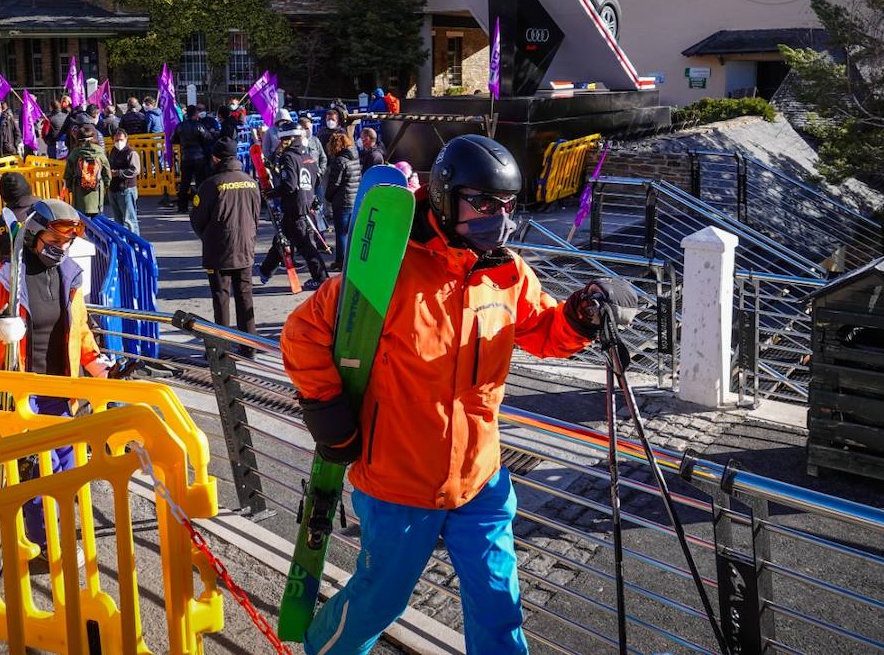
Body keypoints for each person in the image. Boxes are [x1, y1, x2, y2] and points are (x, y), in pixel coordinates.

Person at [280, 134, 635, 654]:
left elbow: (542, 331)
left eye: (507, 206)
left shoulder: (505, 273)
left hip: (480, 479)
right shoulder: (388, 271)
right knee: (380, 602)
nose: (498, 218)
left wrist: (580, 314)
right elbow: (302, 334)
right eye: (483, 203)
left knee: (499, 607)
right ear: (446, 198)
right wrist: (325, 407)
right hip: (401, 482)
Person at [0, 199, 109, 551]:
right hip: (19, 390)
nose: (61, 249)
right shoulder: (4, 279)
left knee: (67, 467)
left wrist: (96, 362)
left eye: (66, 243)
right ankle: (45, 541)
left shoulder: (70, 274)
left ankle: (51, 533)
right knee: (32, 468)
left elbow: (79, 328)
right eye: (54, 241)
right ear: (32, 235)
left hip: (60, 387)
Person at [190, 138, 261, 339]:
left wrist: (208, 237)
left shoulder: (211, 185)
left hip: (219, 250)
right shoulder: (250, 182)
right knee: (245, 297)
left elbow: (197, 219)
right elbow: (256, 216)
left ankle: (222, 347)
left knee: (221, 298)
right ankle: (249, 346)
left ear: (215, 158)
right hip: (245, 247)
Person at [260, 122, 327, 289]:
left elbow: (289, 184)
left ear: (288, 139)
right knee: (281, 239)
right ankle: (265, 270)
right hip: (306, 203)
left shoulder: (288, 156)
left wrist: (271, 193)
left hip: (294, 206)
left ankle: (321, 278)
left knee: (304, 245)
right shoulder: (308, 155)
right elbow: (316, 179)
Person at [0, 171, 39, 262]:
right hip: (47, 273)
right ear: (28, 188)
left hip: (10, 273)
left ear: (3, 195)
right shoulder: (48, 212)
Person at [323, 131, 360, 271]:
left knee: (341, 234)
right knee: (352, 232)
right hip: (354, 199)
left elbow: (334, 183)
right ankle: (351, 260)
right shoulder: (354, 158)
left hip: (342, 201)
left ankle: (341, 262)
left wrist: (327, 197)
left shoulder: (339, 161)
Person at [175, 105, 216, 213]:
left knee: (185, 182)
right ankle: (200, 205)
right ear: (196, 114)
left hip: (185, 157)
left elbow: (173, 139)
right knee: (200, 182)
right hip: (199, 156)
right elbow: (208, 138)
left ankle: (182, 206)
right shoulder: (199, 126)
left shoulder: (180, 126)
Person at [63, 124, 111, 216]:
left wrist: (71, 188)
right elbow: (107, 174)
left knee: (82, 224)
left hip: (79, 194)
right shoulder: (99, 151)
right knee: (97, 225)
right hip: (97, 193)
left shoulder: (75, 153)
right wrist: (104, 186)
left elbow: (67, 175)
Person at [107, 129, 142, 234]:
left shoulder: (131, 152)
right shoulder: (113, 151)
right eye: (116, 140)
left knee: (129, 220)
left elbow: (135, 170)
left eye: (121, 140)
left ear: (126, 139)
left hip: (126, 189)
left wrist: (118, 173)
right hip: (114, 189)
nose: (119, 142)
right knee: (118, 220)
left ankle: (135, 244)